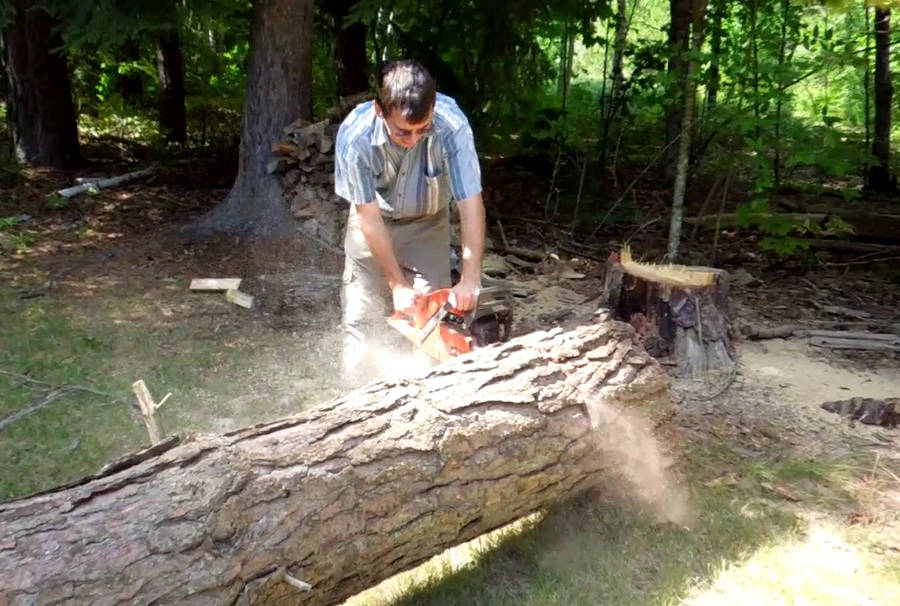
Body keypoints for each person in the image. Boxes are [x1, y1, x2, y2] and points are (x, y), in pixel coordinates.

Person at [334, 59, 485, 385]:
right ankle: (353, 399)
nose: (414, 138)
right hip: (373, 225)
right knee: (360, 322)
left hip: (428, 225)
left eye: (423, 129)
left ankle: (430, 398)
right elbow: (368, 218)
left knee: (434, 328)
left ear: (433, 108)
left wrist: (470, 279)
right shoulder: (355, 137)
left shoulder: (452, 126)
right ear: (379, 110)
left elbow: (470, 203)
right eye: (403, 131)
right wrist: (397, 284)